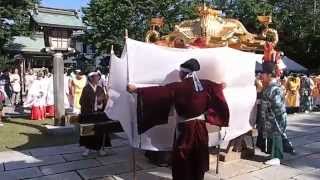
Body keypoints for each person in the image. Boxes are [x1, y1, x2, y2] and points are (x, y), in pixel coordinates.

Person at [127, 58, 229, 180]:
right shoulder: (206, 84)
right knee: (198, 154)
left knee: (183, 157)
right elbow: (218, 87)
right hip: (201, 128)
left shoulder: (177, 87)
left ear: (183, 73)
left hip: (185, 129)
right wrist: (222, 86)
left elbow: (157, 92)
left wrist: (136, 90)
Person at [260, 62, 294, 166]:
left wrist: (271, 114)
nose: (262, 76)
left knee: (276, 135)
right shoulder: (271, 86)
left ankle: (277, 157)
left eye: (264, 74)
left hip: (275, 117)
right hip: (271, 117)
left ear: (270, 75)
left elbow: (278, 106)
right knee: (273, 135)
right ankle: (273, 155)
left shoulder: (274, 88)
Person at [79, 69, 110, 156]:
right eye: (96, 77)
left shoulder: (100, 88)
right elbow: (81, 102)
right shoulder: (86, 89)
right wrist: (95, 101)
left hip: (99, 113)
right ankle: (87, 148)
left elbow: (104, 100)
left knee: (99, 132)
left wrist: (105, 99)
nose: (98, 78)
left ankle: (100, 148)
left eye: (98, 77)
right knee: (88, 131)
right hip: (89, 113)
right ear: (91, 78)